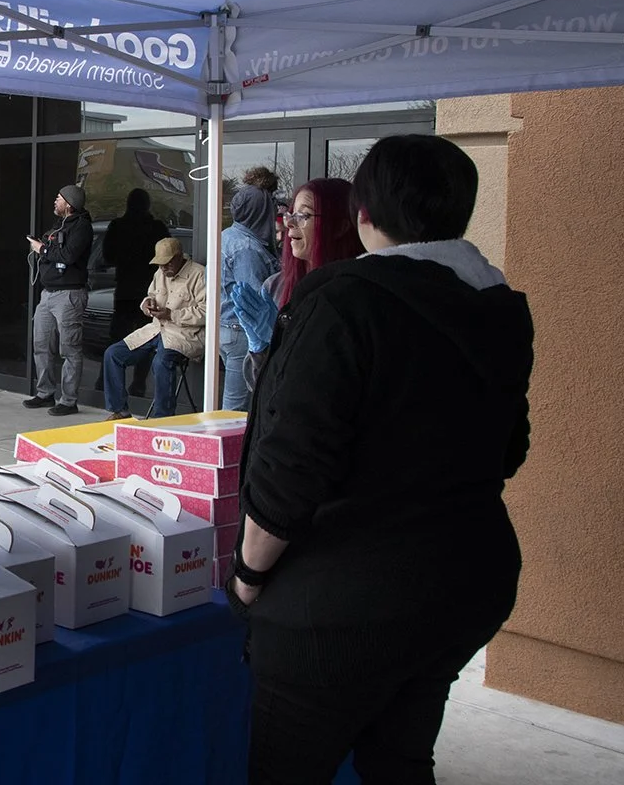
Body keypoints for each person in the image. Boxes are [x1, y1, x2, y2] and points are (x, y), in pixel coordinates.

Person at [228, 135, 534, 783]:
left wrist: (248, 576)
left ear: (362, 214)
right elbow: (511, 449)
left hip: (344, 601)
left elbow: (291, 468)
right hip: (466, 581)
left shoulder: (345, 301)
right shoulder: (496, 305)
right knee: (401, 760)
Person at [232, 178, 364, 392]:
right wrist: (260, 350)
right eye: (290, 214)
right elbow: (258, 388)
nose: (290, 223)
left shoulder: (357, 294)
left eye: (304, 215)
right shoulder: (275, 287)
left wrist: (285, 338)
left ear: (341, 225)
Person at [101, 237, 205, 422]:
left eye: (167, 263)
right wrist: (147, 304)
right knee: (113, 354)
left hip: (184, 334)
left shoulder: (199, 274)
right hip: (155, 329)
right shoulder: (160, 273)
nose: (163, 268)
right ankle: (120, 411)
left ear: (179, 257)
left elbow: (206, 312)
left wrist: (171, 314)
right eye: (160, 264)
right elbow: (151, 295)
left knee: (161, 361)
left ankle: (162, 418)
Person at [24, 184, 93, 417]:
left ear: (70, 204)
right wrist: (43, 248)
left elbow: (68, 256)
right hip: (48, 293)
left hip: (69, 295)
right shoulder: (59, 225)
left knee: (69, 348)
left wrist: (42, 249)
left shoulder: (82, 227)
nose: (55, 201)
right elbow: (55, 252)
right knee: (41, 344)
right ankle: (45, 393)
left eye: (59, 198)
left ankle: (69, 400)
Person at [218, 167, 281, 410]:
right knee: (235, 409)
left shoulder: (227, 236)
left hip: (226, 329)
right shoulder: (246, 248)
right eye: (271, 206)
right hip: (240, 333)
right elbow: (253, 299)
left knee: (238, 406)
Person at [101, 188, 171, 393]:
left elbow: (108, 257)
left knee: (121, 337)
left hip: (133, 288)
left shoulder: (119, 226)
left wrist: (126, 257)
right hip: (143, 287)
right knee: (143, 337)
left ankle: (108, 384)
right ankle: (137, 383)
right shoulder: (155, 227)